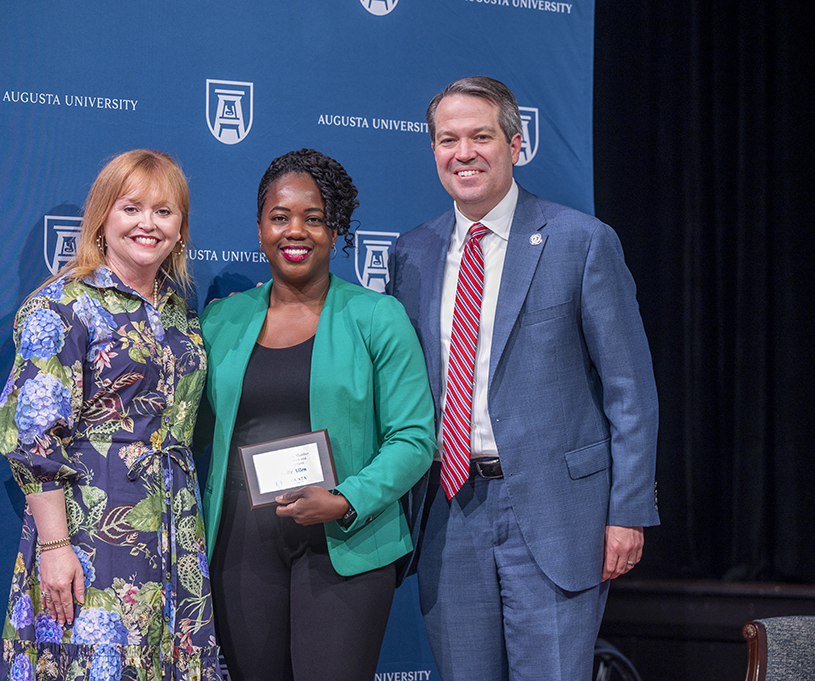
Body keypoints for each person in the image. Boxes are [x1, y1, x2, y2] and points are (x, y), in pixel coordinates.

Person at [388, 76, 660, 680]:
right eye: (447, 139)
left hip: (560, 514)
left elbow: (630, 390)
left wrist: (629, 511)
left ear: (516, 144)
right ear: (433, 151)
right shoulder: (412, 254)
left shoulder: (580, 241)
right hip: (449, 511)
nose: (464, 153)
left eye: (480, 136)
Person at [199, 149, 436, 681]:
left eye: (314, 218)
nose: (295, 231)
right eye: (280, 217)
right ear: (259, 227)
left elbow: (414, 437)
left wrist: (344, 499)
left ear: (337, 229)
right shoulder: (221, 319)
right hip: (242, 547)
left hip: (345, 544)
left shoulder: (378, 316)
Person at [0, 149, 221, 681]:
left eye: (164, 212)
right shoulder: (61, 305)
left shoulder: (179, 312)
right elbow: (33, 439)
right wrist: (54, 546)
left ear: (180, 228)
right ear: (102, 218)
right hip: (90, 526)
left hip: (174, 523)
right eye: (131, 208)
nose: (148, 224)